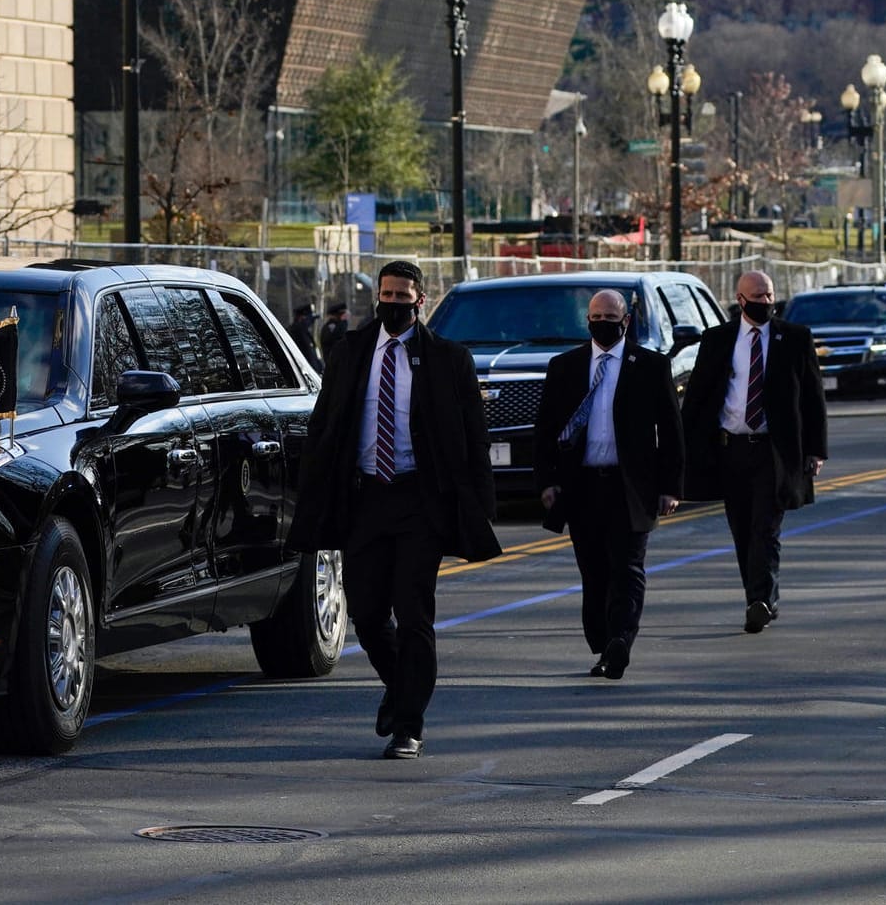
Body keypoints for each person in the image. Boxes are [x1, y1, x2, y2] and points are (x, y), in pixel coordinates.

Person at [286, 260, 499, 759]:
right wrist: (311, 493)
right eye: (387, 295)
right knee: (366, 615)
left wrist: (480, 504)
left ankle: (409, 724)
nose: (394, 304)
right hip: (365, 499)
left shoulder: (449, 360)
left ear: (420, 301)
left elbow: (475, 438)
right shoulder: (350, 353)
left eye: (404, 297)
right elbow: (324, 427)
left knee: (414, 614)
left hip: (419, 501)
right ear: (376, 298)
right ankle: (402, 688)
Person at [533, 290, 683, 680]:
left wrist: (671, 487)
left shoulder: (649, 366)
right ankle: (602, 643)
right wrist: (547, 481)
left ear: (626, 321)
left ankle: (620, 640)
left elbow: (671, 432)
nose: (602, 323)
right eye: (595, 316)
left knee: (628, 569)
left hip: (630, 486)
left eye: (610, 316)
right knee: (594, 572)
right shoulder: (565, 366)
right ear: (588, 321)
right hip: (582, 486)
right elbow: (545, 429)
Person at [680, 270, 827, 634]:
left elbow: (812, 397)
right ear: (740, 299)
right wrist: (681, 446)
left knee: (766, 527)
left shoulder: (794, 338)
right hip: (730, 449)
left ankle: (762, 600)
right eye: (757, 296)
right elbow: (698, 396)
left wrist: (815, 449)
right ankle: (755, 597)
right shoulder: (718, 340)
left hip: (773, 452)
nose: (765, 302)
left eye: (769, 295)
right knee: (742, 530)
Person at [288, 303, 321, 371]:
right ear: (302, 318)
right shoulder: (296, 331)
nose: (311, 322)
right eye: (310, 319)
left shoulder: (305, 332)